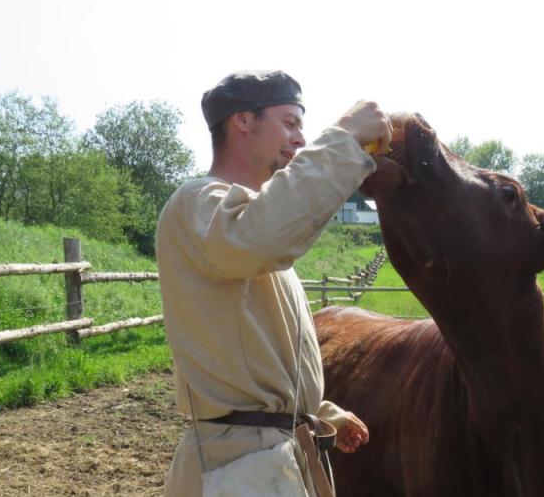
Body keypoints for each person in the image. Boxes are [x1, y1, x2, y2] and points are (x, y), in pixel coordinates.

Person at [155, 70, 389, 496]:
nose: (301, 139)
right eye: (290, 122)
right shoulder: (198, 204)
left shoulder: (250, 222)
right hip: (239, 466)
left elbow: (253, 352)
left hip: (266, 458)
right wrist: (344, 138)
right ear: (242, 121)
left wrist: (316, 410)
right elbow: (257, 238)